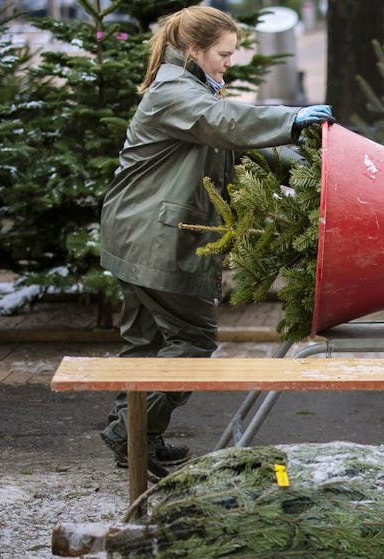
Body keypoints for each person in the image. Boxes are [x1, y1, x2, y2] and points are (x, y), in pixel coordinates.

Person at [98, 5, 333, 476]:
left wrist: (316, 170)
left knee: (144, 345)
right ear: (194, 49)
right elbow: (224, 124)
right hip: (153, 235)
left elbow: (236, 148)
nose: (229, 62)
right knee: (193, 339)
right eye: (223, 54)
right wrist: (291, 118)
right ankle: (131, 433)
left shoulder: (191, 89)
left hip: (137, 230)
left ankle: (139, 437)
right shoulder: (175, 92)